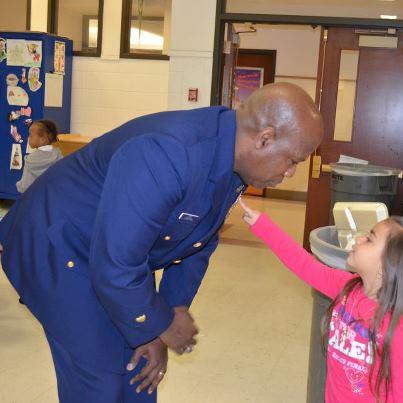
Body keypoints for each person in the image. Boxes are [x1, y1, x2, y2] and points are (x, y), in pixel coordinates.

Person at [0, 82, 323, 403]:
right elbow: (116, 265)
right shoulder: (169, 152)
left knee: (141, 373)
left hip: (113, 252)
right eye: (292, 160)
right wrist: (158, 324)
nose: (291, 172)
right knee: (100, 377)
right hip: (56, 244)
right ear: (264, 139)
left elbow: (199, 242)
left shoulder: (233, 162)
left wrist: (168, 313)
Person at [239, 198, 403, 402]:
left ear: (387, 266)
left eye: (370, 239)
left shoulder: (396, 328)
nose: (359, 238)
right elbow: (304, 264)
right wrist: (262, 225)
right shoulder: (347, 287)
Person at [16, 119, 63, 193]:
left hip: (34, 198)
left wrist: (19, 185)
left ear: (43, 140)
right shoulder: (58, 155)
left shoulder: (30, 160)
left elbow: (24, 186)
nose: (28, 138)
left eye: (31, 136)